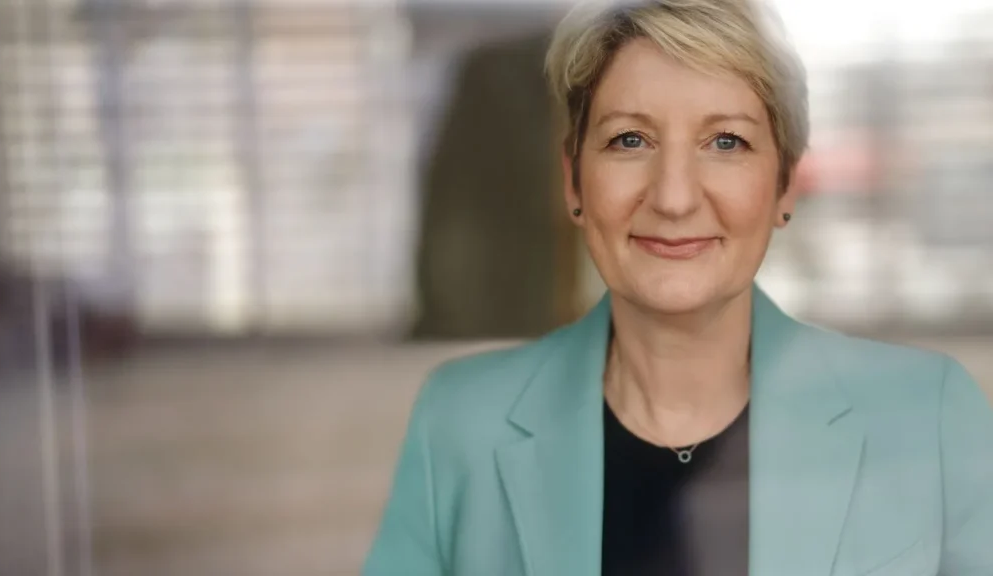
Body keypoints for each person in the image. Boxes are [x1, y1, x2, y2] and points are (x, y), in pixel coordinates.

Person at [363, 1, 993, 575]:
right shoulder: (458, 424)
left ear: (784, 185)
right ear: (574, 181)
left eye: (726, 142)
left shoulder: (930, 418)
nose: (673, 197)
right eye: (629, 140)